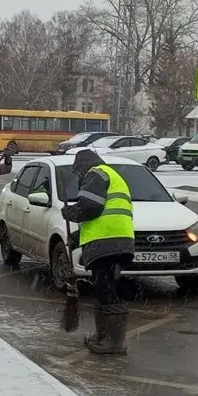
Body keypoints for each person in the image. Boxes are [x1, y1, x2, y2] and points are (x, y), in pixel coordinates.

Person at [61, 149, 135, 355]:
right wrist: (77, 237)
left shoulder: (96, 173)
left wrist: (71, 212)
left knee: (106, 290)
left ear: (82, 166)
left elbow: (90, 207)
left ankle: (113, 342)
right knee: (105, 289)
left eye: (78, 172)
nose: (79, 177)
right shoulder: (109, 175)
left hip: (106, 243)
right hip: (116, 241)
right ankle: (103, 336)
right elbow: (102, 215)